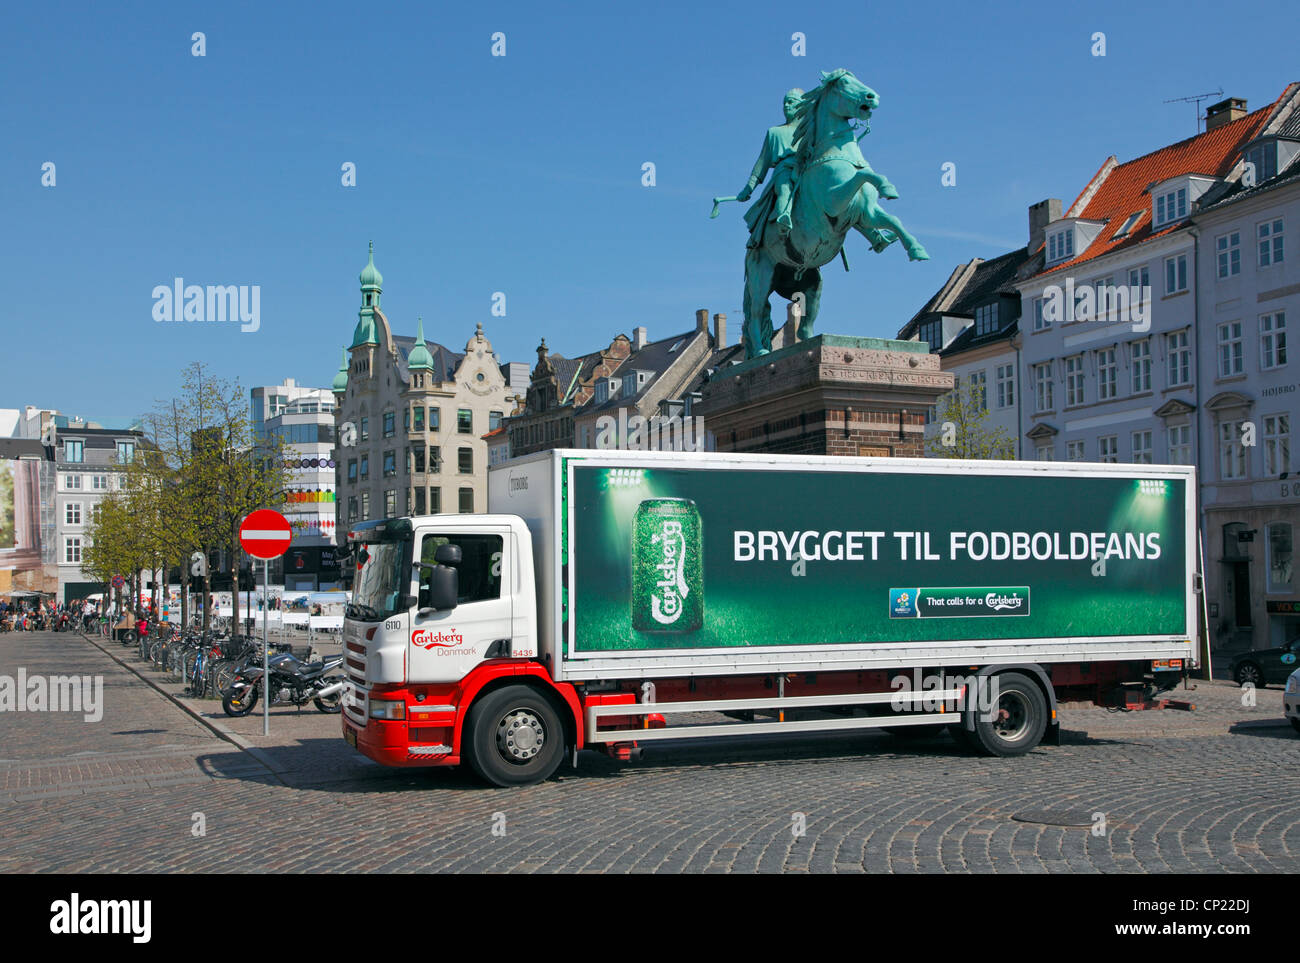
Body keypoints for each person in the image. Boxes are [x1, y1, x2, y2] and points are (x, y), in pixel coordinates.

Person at [738, 88, 804, 240]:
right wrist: (748, 189)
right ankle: (784, 217)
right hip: (785, 169)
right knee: (784, 189)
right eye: (784, 103)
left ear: (801, 106)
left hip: (807, 169)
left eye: (791, 102)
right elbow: (762, 163)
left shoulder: (810, 131)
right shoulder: (774, 132)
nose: (786, 105)